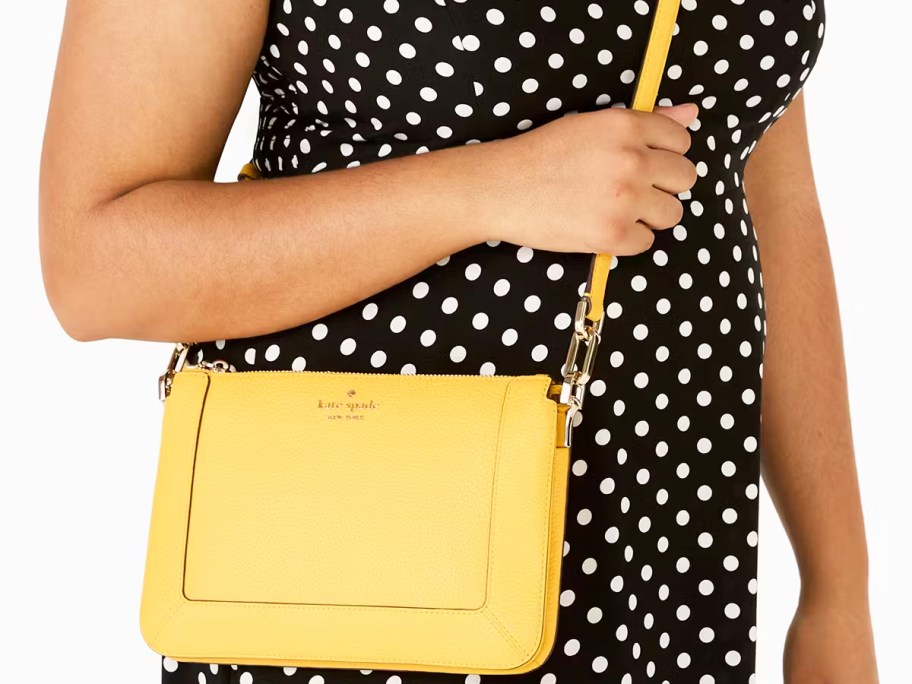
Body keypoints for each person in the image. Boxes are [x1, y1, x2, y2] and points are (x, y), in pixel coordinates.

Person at [39, 0, 878, 682]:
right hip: (367, 559)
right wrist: (484, 187)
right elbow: (94, 263)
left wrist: (838, 594)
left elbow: (762, 184)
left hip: (661, 542)